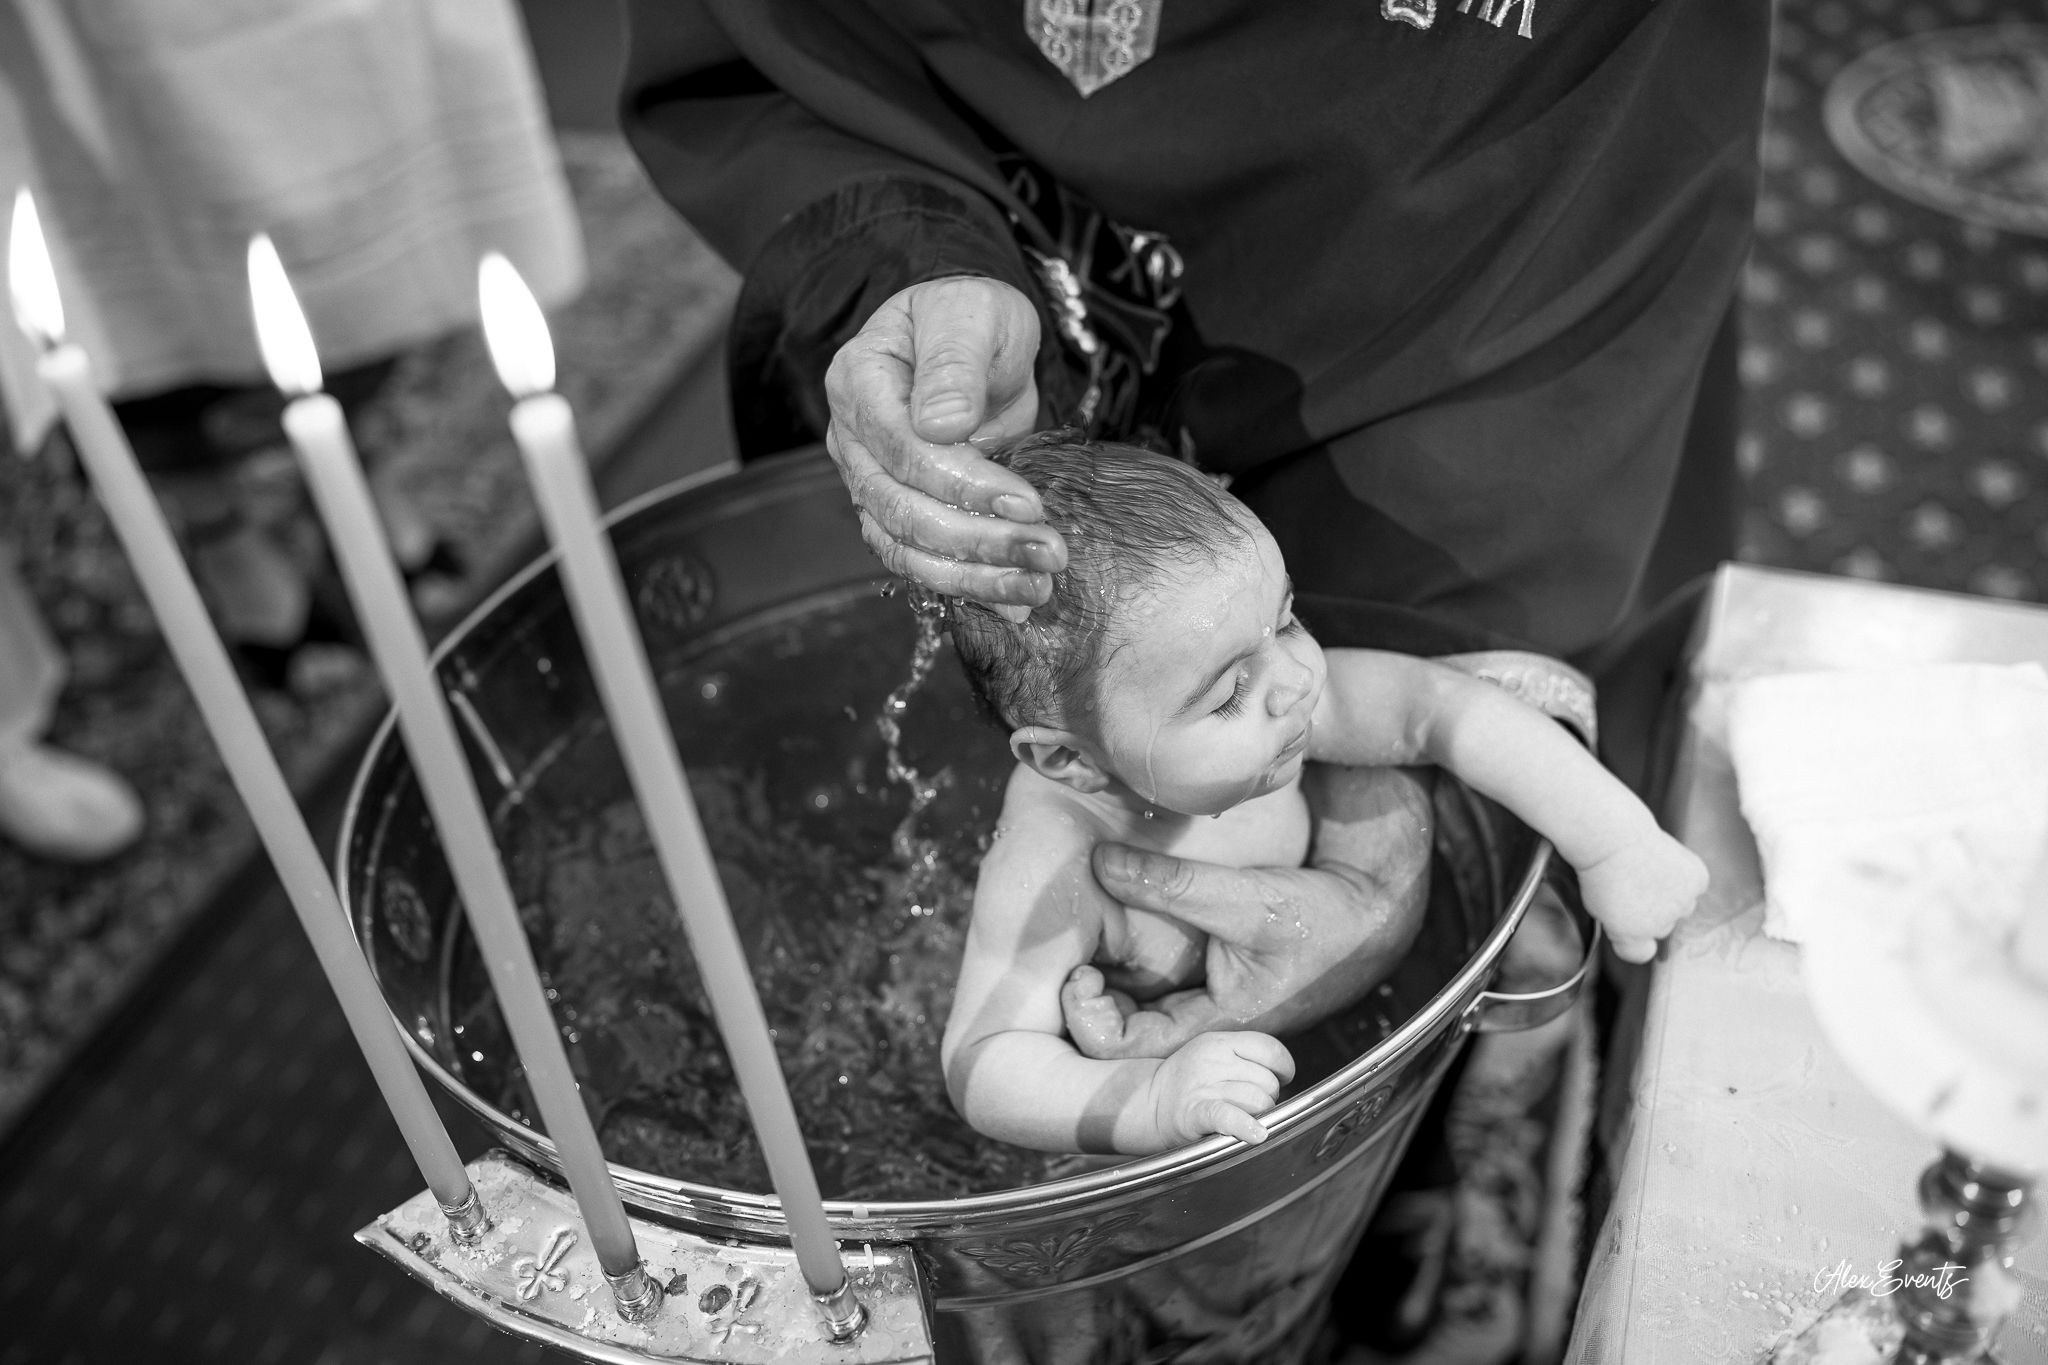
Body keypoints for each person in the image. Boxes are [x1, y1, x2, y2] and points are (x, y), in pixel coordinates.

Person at [939, 435, 1706, 1155]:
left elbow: (1441, 711)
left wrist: (1613, 839)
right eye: (1229, 693)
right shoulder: (1052, 859)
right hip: (1175, 1107)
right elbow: (984, 1059)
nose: (1299, 679)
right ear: (1070, 760)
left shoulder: (1283, 700)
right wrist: (1151, 1100)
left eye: (1287, 619)